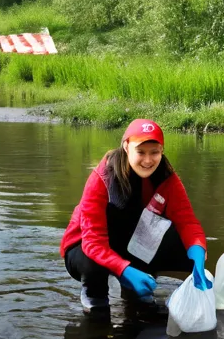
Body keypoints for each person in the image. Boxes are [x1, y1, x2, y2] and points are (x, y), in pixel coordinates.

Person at [60, 119, 212, 312]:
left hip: (132, 241)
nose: (148, 161)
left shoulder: (168, 178)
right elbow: (93, 242)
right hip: (83, 247)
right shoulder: (102, 178)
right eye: (140, 152)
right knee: (93, 263)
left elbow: (187, 221)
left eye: (154, 152)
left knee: (181, 240)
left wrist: (198, 251)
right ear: (126, 147)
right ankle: (94, 295)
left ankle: (141, 281)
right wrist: (124, 270)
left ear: (162, 151)